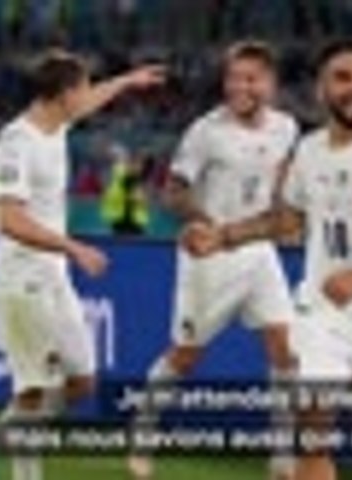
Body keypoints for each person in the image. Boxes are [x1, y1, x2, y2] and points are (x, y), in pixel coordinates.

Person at [183, 38, 352, 480]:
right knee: (312, 427)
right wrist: (223, 236)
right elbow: (288, 219)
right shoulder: (309, 149)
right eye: (344, 78)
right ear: (321, 89)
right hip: (322, 310)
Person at [0, 50, 164, 480]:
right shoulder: (17, 142)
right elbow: (10, 220)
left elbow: (91, 102)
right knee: (34, 391)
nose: (88, 97)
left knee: (82, 382)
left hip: (53, 276)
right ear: (64, 94)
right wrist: (72, 247)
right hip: (20, 281)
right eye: (83, 88)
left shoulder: (57, 124)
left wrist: (128, 80)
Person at [127, 41, 300, 480]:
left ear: (270, 84)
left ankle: (283, 459)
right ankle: (143, 433)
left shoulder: (286, 128)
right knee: (186, 355)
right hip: (209, 254)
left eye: (251, 78)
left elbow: (282, 182)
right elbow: (173, 191)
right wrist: (204, 223)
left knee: (285, 349)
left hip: (257, 250)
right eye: (233, 78)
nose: (240, 87)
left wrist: (281, 217)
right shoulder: (206, 132)